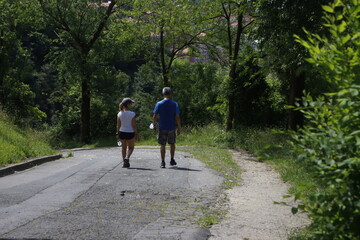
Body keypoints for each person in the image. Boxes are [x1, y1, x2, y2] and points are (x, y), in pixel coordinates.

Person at [153, 87, 181, 168]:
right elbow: (177, 117)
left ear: (163, 94)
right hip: (171, 127)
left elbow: (155, 116)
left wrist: (154, 125)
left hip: (162, 127)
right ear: (170, 94)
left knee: (162, 145)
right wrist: (179, 127)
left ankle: (163, 162)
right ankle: (172, 159)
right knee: (172, 144)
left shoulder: (159, 104)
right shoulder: (175, 104)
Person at [116, 97, 138, 168]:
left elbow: (118, 125)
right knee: (131, 148)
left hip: (122, 132)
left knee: (123, 148)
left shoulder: (119, 114)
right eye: (131, 103)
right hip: (130, 132)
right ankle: (127, 157)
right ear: (128, 105)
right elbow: (134, 125)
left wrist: (117, 133)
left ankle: (124, 162)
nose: (131, 105)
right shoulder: (132, 114)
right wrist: (136, 134)